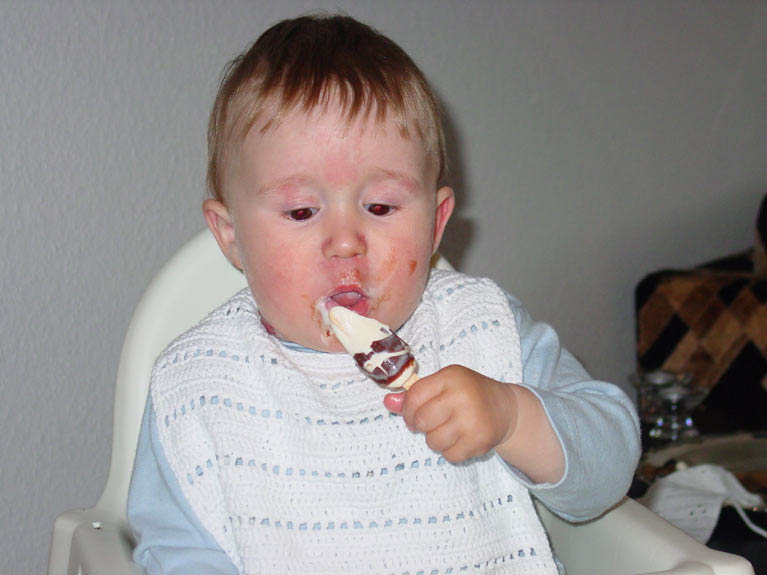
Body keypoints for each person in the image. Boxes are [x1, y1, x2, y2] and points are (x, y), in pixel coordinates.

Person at [128, 14, 640, 575]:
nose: (346, 242)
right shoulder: (201, 385)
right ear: (232, 237)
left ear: (436, 223)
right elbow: (176, 554)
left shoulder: (481, 331)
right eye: (301, 211)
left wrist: (513, 418)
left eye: (380, 207)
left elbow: (610, 467)